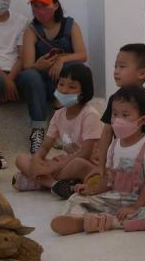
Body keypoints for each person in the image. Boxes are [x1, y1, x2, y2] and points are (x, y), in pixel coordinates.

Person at [51, 85, 145, 235]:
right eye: (114, 114)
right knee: (77, 198)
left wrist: (136, 206)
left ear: (142, 120)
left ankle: (111, 222)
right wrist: (93, 190)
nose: (117, 120)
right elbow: (109, 179)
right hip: (119, 197)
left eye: (125, 115)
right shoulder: (113, 146)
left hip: (144, 199)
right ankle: (80, 220)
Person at [18, 0, 89, 152]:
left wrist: (61, 60)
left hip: (61, 80)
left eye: (44, 5)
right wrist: (39, 66)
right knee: (30, 75)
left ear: (55, 5)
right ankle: (38, 130)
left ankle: (63, 120)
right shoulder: (31, 29)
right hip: (40, 81)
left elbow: (82, 55)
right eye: (35, 6)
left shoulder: (70, 25)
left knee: (74, 68)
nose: (39, 10)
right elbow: (27, 65)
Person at [13, 63, 101, 196]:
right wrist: (37, 160)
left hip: (86, 165)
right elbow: (45, 146)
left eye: (72, 87)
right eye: (61, 84)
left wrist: (54, 167)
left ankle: (38, 181)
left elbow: (86, 153)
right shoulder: (58, 114)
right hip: (64, 164)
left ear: (83, 93)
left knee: (77, 163)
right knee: (21, 159)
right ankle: (54, 185)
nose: (64, 90)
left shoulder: (90, 115)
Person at [95, 44, 145, 173]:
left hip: (144, 163)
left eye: (122, 66)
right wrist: (101, 165)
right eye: (115, 66)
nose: (116, 71)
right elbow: (107, 133)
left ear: (142, 73)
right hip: (120, 160)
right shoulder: (114, 99)